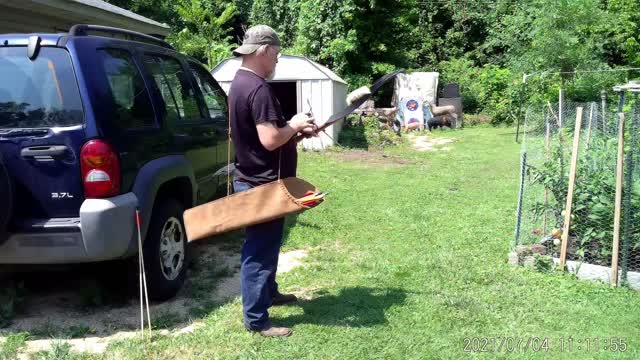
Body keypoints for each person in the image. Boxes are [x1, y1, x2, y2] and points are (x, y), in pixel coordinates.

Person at [228, 25, 317, 337]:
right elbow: (268, 139)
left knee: (267, 244)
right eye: (276, 54)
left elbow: (261, 137)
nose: (277, 60)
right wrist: (292, 125)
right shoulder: (259, 89)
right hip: (262, 185)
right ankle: (256, 319)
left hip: (254, 180)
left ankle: (270, 293)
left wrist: (295, 133)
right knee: (259, 250)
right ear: (263, 50)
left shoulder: (239, 82)